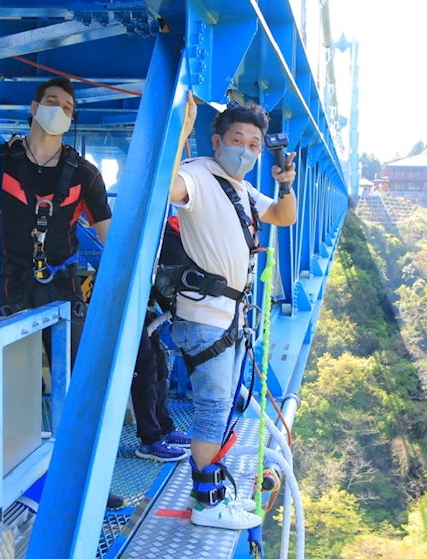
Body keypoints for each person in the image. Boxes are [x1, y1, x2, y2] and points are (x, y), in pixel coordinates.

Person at [168, 92, 297, 530]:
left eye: (255, 145)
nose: (246, 149)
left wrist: (285, 181)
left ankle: (210, 492)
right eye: (237, 139)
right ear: (217, 140)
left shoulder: (241, 189)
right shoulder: (199, 174)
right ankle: (206, 503)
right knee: (212, 407)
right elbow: (168, 189)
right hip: (206, 318)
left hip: (228, 319)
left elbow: (284, 216)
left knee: (221, 408)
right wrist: (179, 134)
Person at [0, 76, 124, 510]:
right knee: (11, 388)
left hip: (60, 290)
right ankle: (12, 480)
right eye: (51, 102)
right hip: (9, 286)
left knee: (78, 388)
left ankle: (83, 483)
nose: (59, 110)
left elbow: (111, 237)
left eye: (67, 107)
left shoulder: (84, 175)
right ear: (33, 109)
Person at [131, 309, 191, 462]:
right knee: (145, 374)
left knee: (159, 367)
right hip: (128, 311)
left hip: (142, 311)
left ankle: (164, 428)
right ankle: (149, 441)